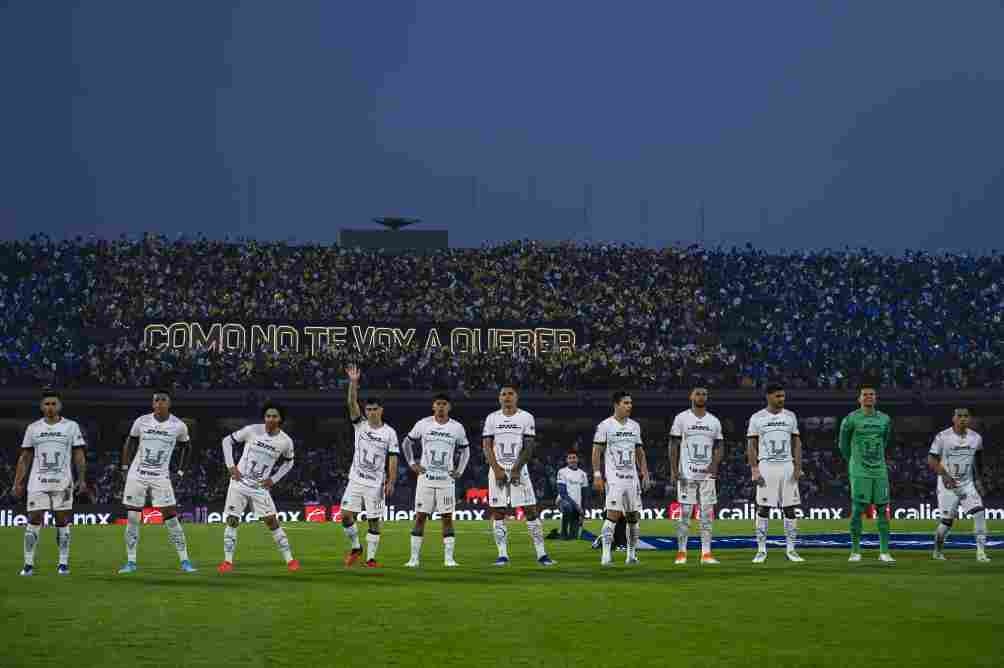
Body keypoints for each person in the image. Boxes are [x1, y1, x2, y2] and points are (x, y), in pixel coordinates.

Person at [118, 389, 196, 574]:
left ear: (169, 403)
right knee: (132, 517)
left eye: (163, 400)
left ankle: (185, 560)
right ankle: (131, 562)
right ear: (153, 404)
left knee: (170, 516)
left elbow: (187, 447)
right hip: (137, 474)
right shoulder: (142, 421)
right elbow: (130, 443)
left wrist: (181, 471)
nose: (159, 403)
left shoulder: (178, 426)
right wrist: (124, 467)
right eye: (156, 400)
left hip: (160, 476)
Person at [217, 402, 300, 573]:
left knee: (272, 522)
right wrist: (231, 466)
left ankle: (290, 560)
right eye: (268, 416)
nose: (270, 419)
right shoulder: (252, 430)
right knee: (232, 520)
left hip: (260, 487)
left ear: (280, 419)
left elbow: (289, 462)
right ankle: (227, 562)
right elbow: (226, 441)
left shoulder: (285, 441)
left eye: (274, 416)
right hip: (239, 483)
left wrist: (274, 479)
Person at [14, 389, 87, 576]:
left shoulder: (71, 426)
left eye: (54, 404)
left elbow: (79, 454)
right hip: (37, 482)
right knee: (34, 519)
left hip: (63, 483)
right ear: (41, 407)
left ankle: (63, 563)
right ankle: (28, 564)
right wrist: (18, 482)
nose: (50, 407)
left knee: (62, 521)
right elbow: (25, 457)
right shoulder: (33, 428)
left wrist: (82, 479)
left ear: (60, 406)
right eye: (47, 404)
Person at [482, 384, 555, 567]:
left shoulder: (526, 417)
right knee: (498, 512)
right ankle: (502, 555)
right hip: (497, 469)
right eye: (503, 394)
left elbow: (529, 446)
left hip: (519, 469)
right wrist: (497, 469)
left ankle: (542, 554)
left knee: (531, 510)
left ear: (516, 397)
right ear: (499, 398)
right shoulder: (492, 418)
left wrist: (516, 469)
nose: (507, 397)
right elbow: (486, 446)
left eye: (510, 394)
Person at [340, 365, 399, 568]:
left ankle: (371, 559)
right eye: (369, 409)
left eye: (375, 409)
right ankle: (356, 547)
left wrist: (391, 481)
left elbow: (392, 459)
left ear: (381, 410)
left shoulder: (390, 433)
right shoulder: (360, 425)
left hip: (375, 483)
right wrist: (353, 383)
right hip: (356, 479)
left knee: (373, 520)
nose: (372, 412)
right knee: (345, 516)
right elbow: (350, 402)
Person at [401, 393, 469, 567]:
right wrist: (411, 463)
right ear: (433, 406)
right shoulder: (423, 424)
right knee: (420, 517)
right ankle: (414, 559)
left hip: (446, 481)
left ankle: (449, 559)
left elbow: (465, 450)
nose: (440, 407)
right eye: (438, 404)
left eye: (444, 404)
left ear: (449, 407)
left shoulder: (457, 427)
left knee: (447, 518)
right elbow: (406, 443)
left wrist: (460, 470)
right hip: (426, 480)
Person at [747, 383, 805, 563]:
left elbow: (797, 443)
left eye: (783, 396)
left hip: (787, 466)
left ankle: (791, 549)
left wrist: (797, 467)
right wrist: (754, 469)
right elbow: (751, 445)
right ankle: (761, 550)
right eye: (778, 396)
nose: (782, 399)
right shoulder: (757, 418)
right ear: (769, 397)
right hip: (766, 467)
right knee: (763, 508)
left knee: (790, 509)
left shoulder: (790, 416)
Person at [838, 384, 895, 563]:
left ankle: (884, 552)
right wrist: (854, 462)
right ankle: (855, 551)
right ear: (859, 398)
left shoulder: (885, 419)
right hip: (859, 470)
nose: (869, 397)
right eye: (865, 394)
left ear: (875, 398)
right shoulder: (851, 419)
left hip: (879, 469)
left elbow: (886, 441)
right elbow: (843, 445)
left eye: (872, 394)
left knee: (882, 510)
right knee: (857, 510)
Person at [593, 391, 649, 566]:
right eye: (625, 403)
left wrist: (645, 473)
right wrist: (597, 475)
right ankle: (606, 556)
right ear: (616, 405)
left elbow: (640, 452)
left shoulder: (635, 426)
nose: (629, 406)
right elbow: (596, 452)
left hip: (632, 479)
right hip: (614, 478)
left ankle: (631, 556)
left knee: (633, 518)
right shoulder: (605, 426)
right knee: (612, 516)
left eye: (630, 403)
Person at [669, 387, 723, 565]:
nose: (701, 396)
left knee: (707, 514)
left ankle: (706, 554)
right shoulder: (681, 418)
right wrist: (673, 470)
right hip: (687, 473)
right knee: (685, 513)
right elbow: (673, 445)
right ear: (691, 396)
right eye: (698, 393)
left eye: (705, 394)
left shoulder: (714, 421)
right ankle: (681, 552)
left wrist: (714, 465)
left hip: (707, 475)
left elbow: (720, 446)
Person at [928, 408, 990, 562]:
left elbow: (978, 460)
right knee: (946, 522)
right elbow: (932, 459)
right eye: (959, 416)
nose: (962, 419)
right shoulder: (942, 437)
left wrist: (979, 480)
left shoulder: (976, 438)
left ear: (969, 419)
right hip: (947, 485)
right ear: (953, 418)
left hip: (966, 483)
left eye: (966, 416)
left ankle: (981, 553)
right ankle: (937, 550)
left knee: (979, 513)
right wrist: (945, 475)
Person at [556, 450, 589, 540]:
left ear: (577, 459)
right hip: (563, 501)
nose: (572, 460)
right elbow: (563, 493)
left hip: (577, 505)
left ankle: (567, 533)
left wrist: (583, 511)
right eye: (569, 458)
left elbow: (585, 495)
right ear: (567, 460)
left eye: (574, 457)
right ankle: (563, 532)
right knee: (567, 506)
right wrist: (577, 506)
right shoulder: (562, 472)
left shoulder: (583, 474)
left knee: (573, 537)